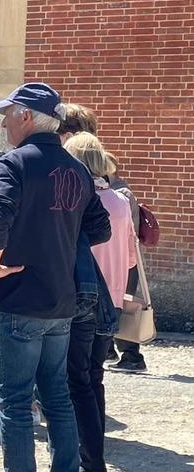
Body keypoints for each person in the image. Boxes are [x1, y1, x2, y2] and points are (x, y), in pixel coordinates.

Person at [0, 82, 111, 472]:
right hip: (61, 300)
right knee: (57, 396)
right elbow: (100, 229)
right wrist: (60, 235)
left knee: (16, 402)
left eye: (7, 116)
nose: (4, 125)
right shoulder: (78, 168)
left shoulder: (15, 162)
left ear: (25, 116)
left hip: (20, 297)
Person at [64, 132, 136, 472]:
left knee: (74, 380)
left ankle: (88, 458)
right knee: (94, 376)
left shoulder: (80, 201)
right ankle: (95, 452)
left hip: (83, 295)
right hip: (114, 298)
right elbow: (132, 260)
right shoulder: (121, 202)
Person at [105, 152, 148, 373]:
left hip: (124, 259)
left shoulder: (121, 193)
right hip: (121, 257)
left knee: (123, 307)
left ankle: (132, 356)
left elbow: (125, 229)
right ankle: (109, 349)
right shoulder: (119, 191)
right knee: (116, 305)